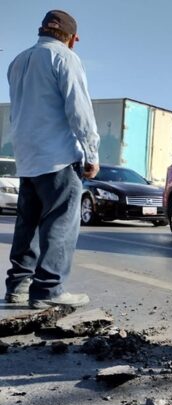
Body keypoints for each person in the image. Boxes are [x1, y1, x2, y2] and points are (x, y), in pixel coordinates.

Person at [4, 10, 100, 309]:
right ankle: (49, 290)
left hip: (27, 157)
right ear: (73, 39)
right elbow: (79, 109)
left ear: (41, 30)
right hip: (57, 156)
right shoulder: (66, 58)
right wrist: (91, 152)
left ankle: (18, 286)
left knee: (28, 224)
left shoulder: (17, 61)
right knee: (60, 222)